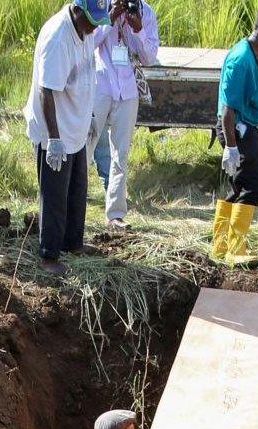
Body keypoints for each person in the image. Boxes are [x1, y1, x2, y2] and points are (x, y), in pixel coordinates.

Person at [23, 0, 108, 275]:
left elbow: (83, 79)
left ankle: (73, 242)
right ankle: (49, 255)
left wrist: (89, 116)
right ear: (77, 9)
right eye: (91, 21)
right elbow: (46, 92)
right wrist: (54, 140)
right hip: (55, 130)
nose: (95, 28)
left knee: (76, 190)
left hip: (76, 126)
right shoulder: (58, 36)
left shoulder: (84, 31)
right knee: (55, 195)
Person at [211, 6, 258, 266]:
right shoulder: (240, 59)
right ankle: (236, 250)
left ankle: (220, 246)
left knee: (238, 186)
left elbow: (257, 97)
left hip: (247, 127)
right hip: (235, 128)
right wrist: (231, 147)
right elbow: (228, 109)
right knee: (252, 187)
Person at [87, 0, 159, 231]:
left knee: (121, 153)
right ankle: (73, 207)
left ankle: (115, 214)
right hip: (100, 84)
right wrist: (109, 18)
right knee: (84, 147)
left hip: (127, 90)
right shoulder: (98, 5)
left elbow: (149, 57)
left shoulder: (145, 11)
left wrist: (138, 29)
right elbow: (87, 44)